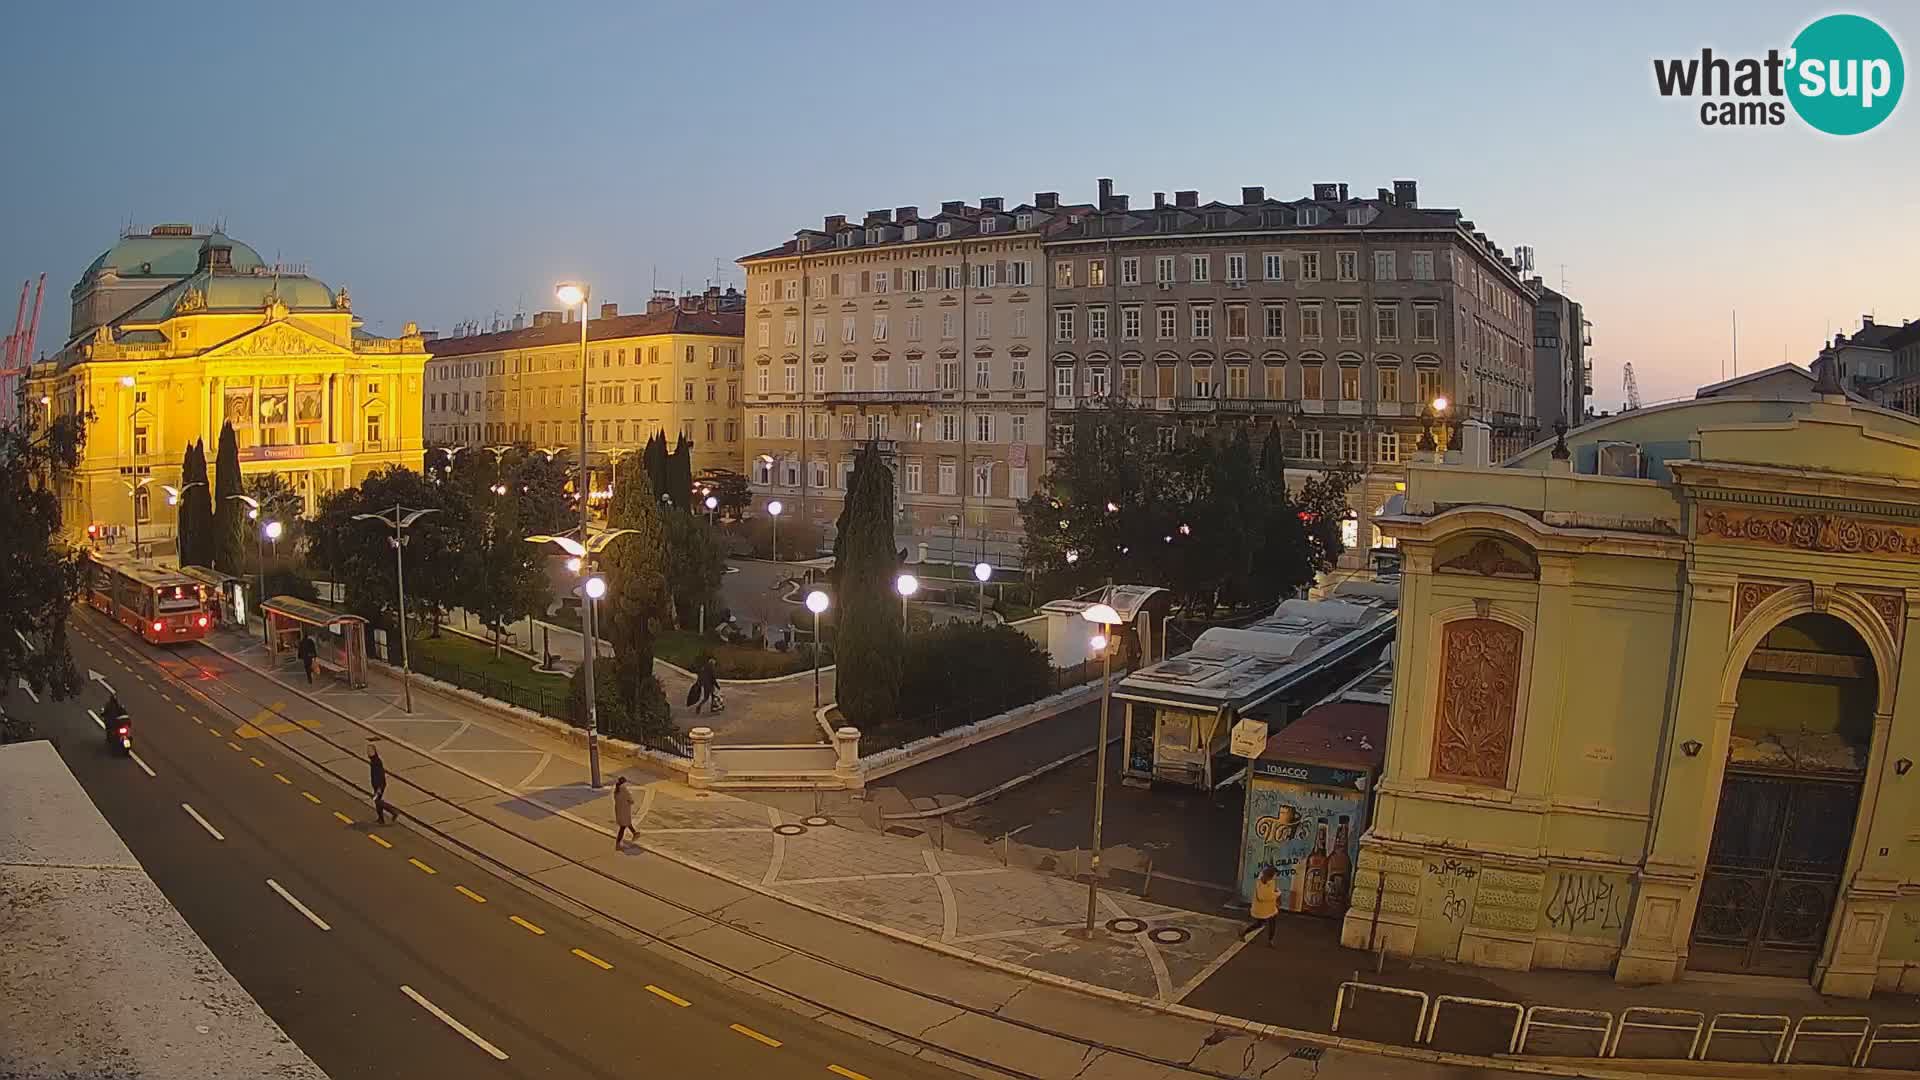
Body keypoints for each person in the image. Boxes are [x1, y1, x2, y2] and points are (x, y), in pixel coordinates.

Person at [1247, 864, 1281, 946]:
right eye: (1275, 875)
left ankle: (1271, 940)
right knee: (1259, 924)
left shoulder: (1271, 880)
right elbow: (1262, 897)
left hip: (1270, 907)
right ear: (1270, 875)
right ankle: (1244, 933)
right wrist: (1276, 894)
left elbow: (1272, 890)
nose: (1275, 877)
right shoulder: (1260, 883)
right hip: (1261, 908)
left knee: (1273, 923)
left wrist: (1277, 899)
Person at [368, 742, 395, 824]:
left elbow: (380, 775)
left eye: (370, 751)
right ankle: (381, 819)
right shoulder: (373, 761)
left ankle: (393, 812)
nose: (368, 752)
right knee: (377, 801)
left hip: (379, 785)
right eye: (368, 751)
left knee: (377, 801)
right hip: (376, 785)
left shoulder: (377, 762)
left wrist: (379, 788)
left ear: (374, 751)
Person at [612, 776, 636, 850]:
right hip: (624, 810)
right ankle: (618, 844)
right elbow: (631, 800)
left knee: (626, 823)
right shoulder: (624, 790)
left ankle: (635, 833)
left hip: (619, 811)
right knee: (623, 827)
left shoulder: (616, 790)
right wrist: (630, 801)